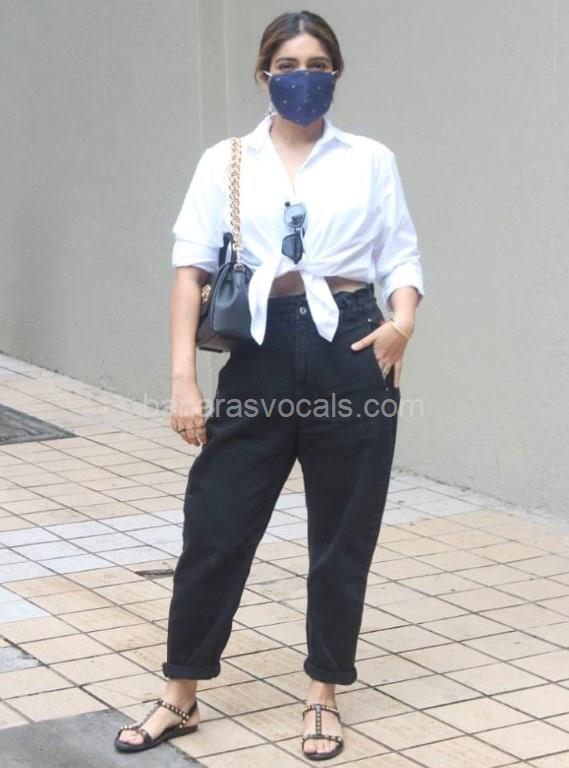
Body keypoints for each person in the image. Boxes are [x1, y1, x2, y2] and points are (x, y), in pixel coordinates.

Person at [114, 8, 424, 761]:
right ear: (263, 75)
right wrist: (183, 380)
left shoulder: (370, 159)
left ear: (335, 74)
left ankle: (323, 692)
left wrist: (401, 323)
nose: (302, 78)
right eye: (287, 66)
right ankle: (180, 693)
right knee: (215, 526)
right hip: (258, 353)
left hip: (351, 346)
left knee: (341, 534)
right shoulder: (226, 160)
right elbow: (189, 270)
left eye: (317, 65)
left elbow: (401, 254)